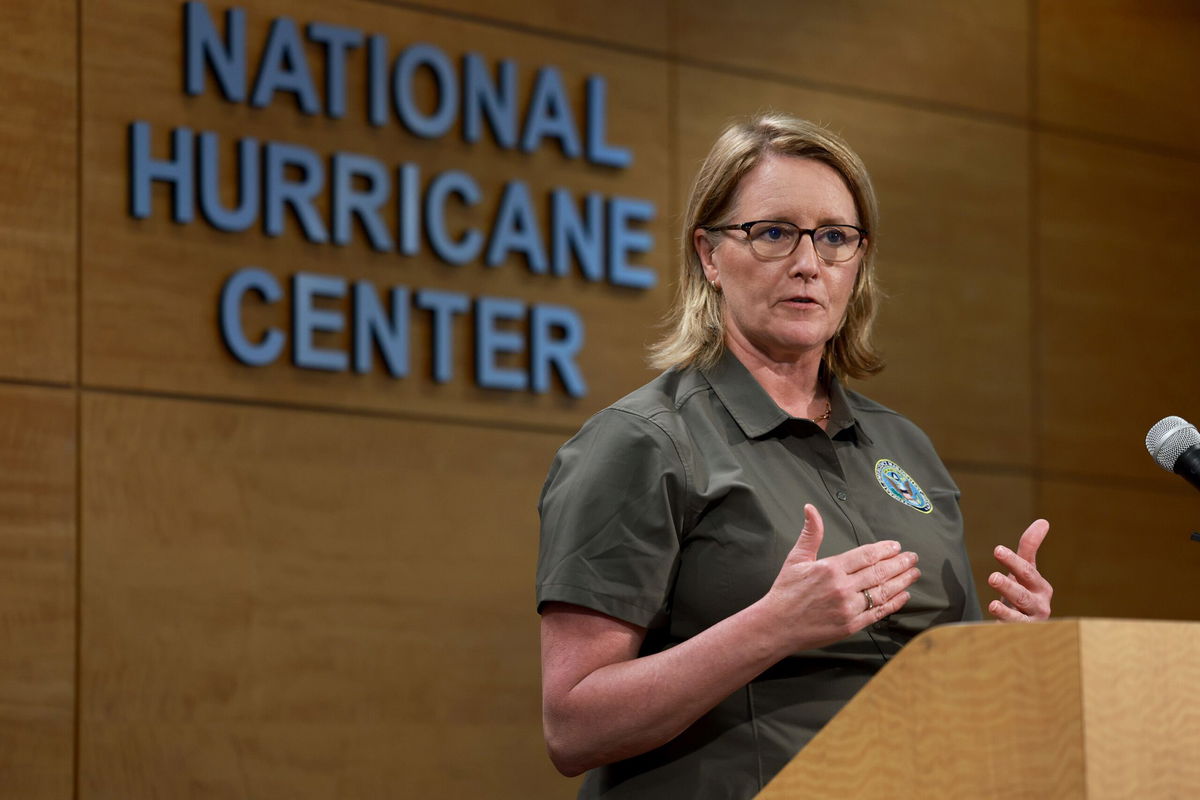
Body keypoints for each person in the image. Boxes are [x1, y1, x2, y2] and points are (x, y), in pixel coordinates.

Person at [535, 113, 1053, 799]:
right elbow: (574, 726)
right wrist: (771, 628)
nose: (809, 263)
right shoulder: (642, 442)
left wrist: (1012, 652)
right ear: (709, 255)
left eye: (835, 237)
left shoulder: (905, 448)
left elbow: (943, 691)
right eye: (774, 232)